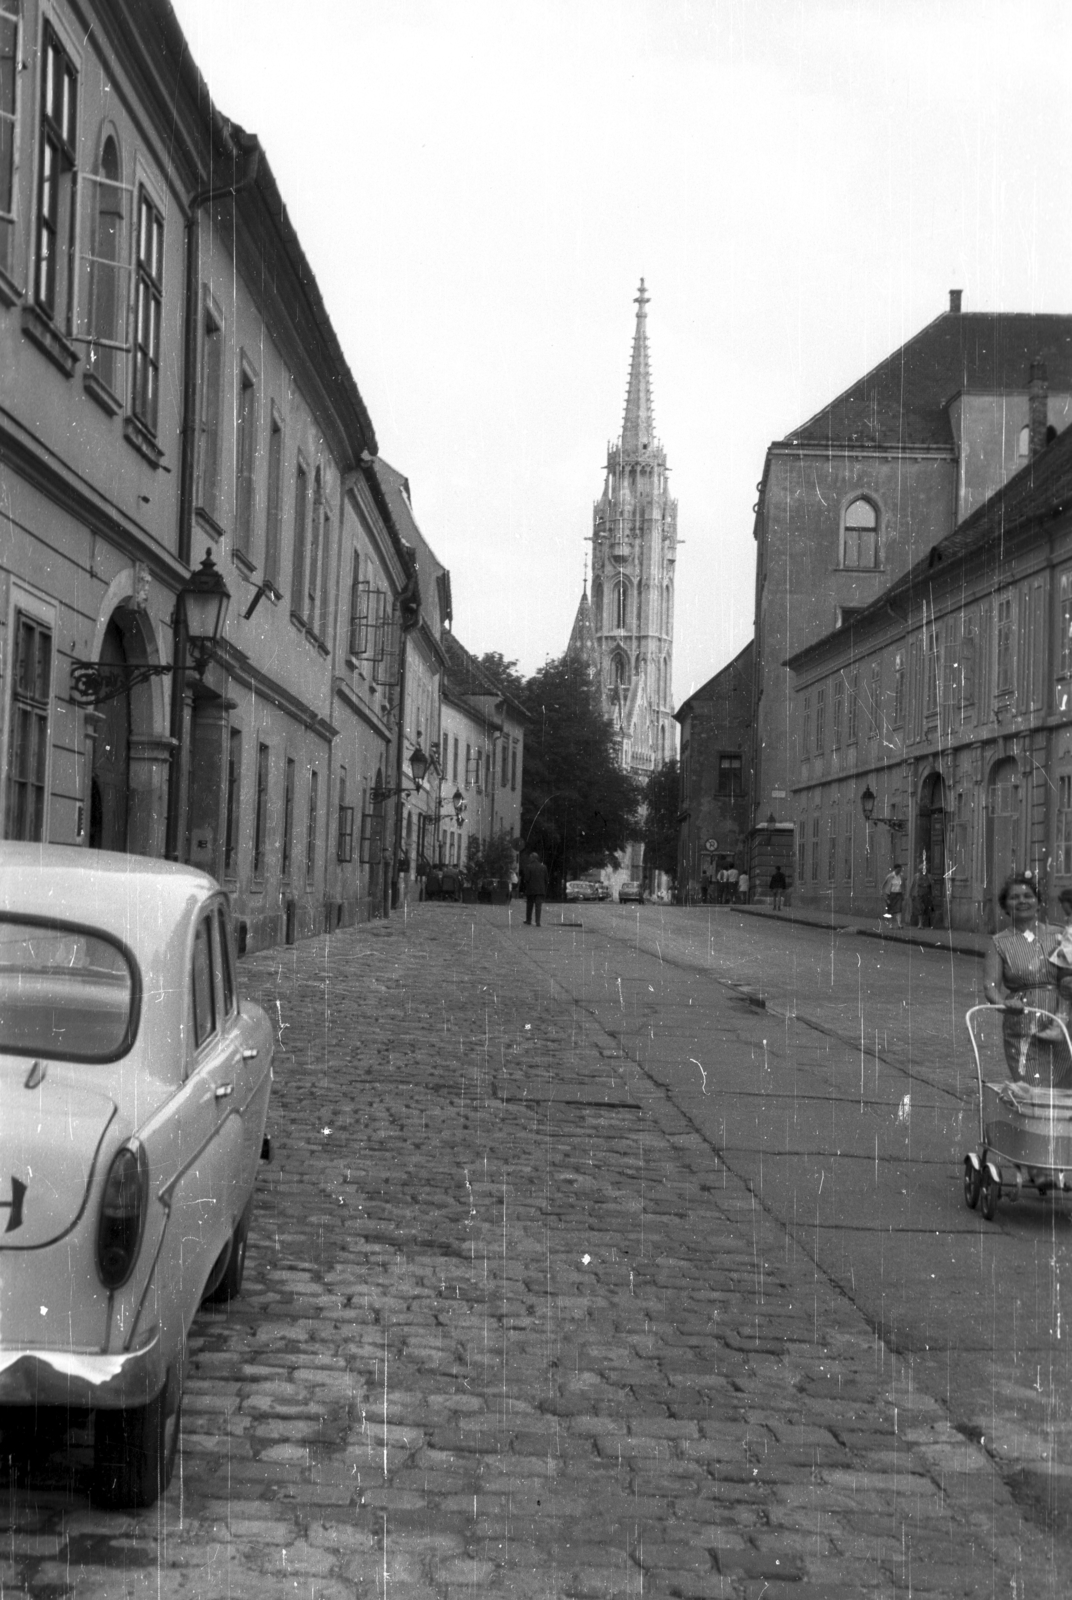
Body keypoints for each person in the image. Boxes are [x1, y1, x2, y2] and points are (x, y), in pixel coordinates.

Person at [983, 872, 1072, 1086]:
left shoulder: (1060, 935)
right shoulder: (999, 942)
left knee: (1064, 1093)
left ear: (1038, 902)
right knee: (1033, 1089)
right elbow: (990, 985)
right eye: (1015, 897)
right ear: (1005, 906)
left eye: (1028, 896)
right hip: (1022, 1024)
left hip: (1063, 1023)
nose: (1022, 901)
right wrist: (1003, 1003)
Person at [522, 851, 549, 927]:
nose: (529, 858)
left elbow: (527, 879)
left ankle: (528, 920)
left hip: (531, 889)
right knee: (538, 906)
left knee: (529, 905)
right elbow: (546, 879)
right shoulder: (543, 867)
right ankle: (538, 922)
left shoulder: (528, 867)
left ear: (533, 858)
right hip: (540, 890)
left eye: (530, 857)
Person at [882, 863, 905, 929]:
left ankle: (899, 924)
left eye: (900, 870)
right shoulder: (890, 876)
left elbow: (904, 886)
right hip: (891, 894)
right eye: (898, 870)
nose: (899, 871)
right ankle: (890, 924)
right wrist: (886, 897)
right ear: (895, 869)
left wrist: (903, 893)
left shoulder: (901, 877)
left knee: (899, 909)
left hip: (899, 894)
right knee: (890, 910)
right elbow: (885, 886)